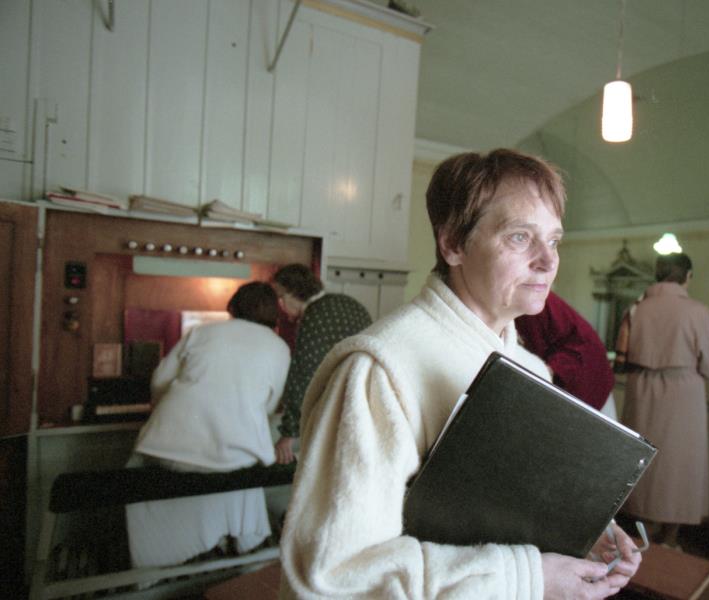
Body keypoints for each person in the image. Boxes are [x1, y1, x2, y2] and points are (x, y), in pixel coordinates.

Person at [278, 149, 641, 599]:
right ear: (452, 244)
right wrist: (528, 577)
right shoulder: (379, 371)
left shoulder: (531, 369)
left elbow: (515, 510)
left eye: (554, 241)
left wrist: (588, 532)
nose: (548, 262)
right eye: (520, 237)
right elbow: (334, 573)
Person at [125, 282, 291, 568]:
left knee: (138, 471)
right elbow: (269, 405)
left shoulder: (202, 332)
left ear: (233, 307)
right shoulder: (279, 348)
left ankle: (156, 559)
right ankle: (237, 545)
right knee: (240, 475)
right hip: (233, 460)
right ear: (275, 314)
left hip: (168, 450)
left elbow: (160, 380)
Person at [617, 252, 709, 548]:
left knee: (643, 461)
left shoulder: (636, 309)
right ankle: (670, 538)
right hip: (683, 394)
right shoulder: (698, 312)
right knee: (679, 465)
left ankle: (641, 534)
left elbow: (621, 356)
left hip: (641, 389)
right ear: (687, 276)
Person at [271, 263, 372, 465]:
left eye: (280, 297)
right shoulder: (349, 303)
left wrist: (288, 434)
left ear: (292, 293)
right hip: (364, 406)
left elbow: (303, 374)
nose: (280, 306)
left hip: (336, 412)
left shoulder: (314, 316)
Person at [515, 290, 615, 414]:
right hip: (570, 369)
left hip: (587, 372)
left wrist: (542, 371)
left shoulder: (530, 300)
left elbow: (585, 345)